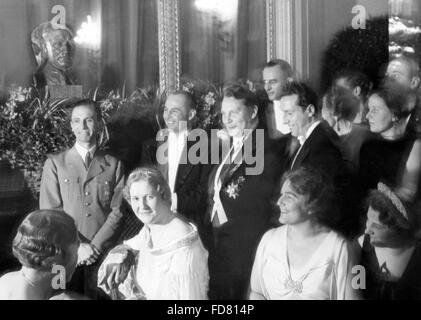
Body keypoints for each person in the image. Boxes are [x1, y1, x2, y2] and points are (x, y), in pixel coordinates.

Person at [39, 99, 125, 298]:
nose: (82, 126)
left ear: (99, 123)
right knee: (61, 297)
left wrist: (94, 247)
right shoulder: (55, 164)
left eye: (88, 120)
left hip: (103, 254)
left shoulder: (114, 164)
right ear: (70, 125)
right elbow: (51, 213)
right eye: (76, 121)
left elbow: (118, 211)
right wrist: (78, 246)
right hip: (62, 255)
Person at [206, 84, 283, 299]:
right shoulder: (233, 146)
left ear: (254, 111)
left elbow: (258, 204)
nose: (227, 119)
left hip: (246, 250)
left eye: (234, 112)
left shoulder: (267, 150)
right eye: (223, 114)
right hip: (222, 246)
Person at [97, 167, 209, 300]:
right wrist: (122, 253)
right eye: (135, 199)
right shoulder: (151, 227)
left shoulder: (183, 246)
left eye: (149, 197)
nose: (142, 206)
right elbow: (133, 244)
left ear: (163, 195)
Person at [249, 168, 360, 300]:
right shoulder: (269, 240)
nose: (279, 202)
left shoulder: (338, 247)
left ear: (313, 205)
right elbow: (257, 293)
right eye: (281, 194)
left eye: (289, 196)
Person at [280, 82, 353, 235]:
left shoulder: (323, 145)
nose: (285, 120)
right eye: (283, 113)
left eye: (289, 113)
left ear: (310, 110)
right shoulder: (310, 140)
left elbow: (323, 202)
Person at [141, 91, 211, 247]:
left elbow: (204, 192)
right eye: (166, 109)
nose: (167, 115)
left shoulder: (206, 147)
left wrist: (170, 201)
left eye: (175, 110)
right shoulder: (150, 146)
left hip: (191, 229)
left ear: (191, 114)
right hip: (155, 227)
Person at [0, 210, 86, 300]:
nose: (77, 260)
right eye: (76, 249)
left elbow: (58, 283)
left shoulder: (7, 280)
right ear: (56, 258)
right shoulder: (24, 295)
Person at [358, 182, 421, 299]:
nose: (367, 230)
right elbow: (356, 289)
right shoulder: (361, 248)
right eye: (368, 219)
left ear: (398, 230)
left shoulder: (417, 257)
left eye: (377, 226)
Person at [322, 86, 374, 171]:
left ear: (334, 114)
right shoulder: (322, 136)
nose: (322, 116)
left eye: (324, 109)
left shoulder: (364, 135)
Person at [31, 22, 75, 87]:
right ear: (43, 47)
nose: (66, 50)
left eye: (67, 44)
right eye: (58, 44)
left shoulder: (72, 80)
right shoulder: (36, 84)